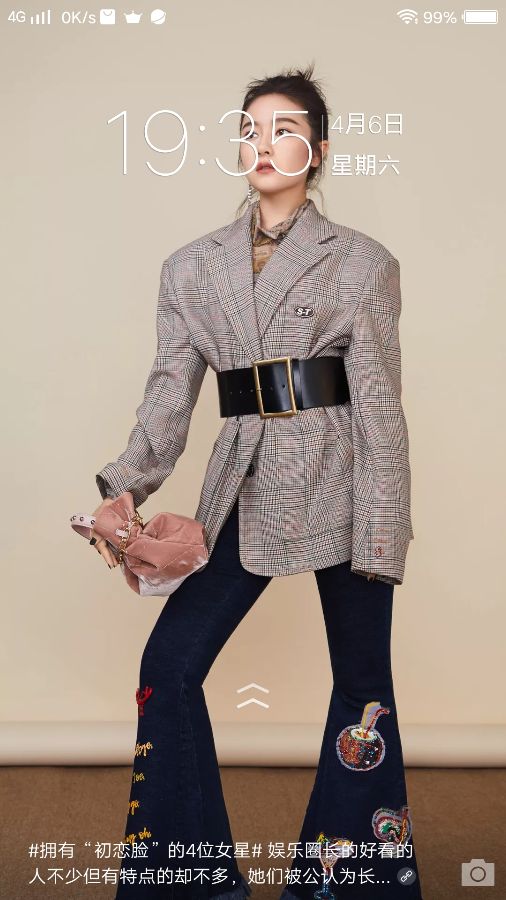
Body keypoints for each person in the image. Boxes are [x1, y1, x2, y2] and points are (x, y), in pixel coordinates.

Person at [90, 66, 423, 900]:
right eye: (250, 129)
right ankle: (191, 880)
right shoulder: (190, 269)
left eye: (284, 129)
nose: (263, 144)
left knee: (363, 690)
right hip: (246, 477)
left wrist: (385, 531)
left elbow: (380, 407)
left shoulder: (362, 262)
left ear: (320, 150)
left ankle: (346, 885)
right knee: (169, 666)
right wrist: (126, 484)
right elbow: (170, 394)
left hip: (344, 478)